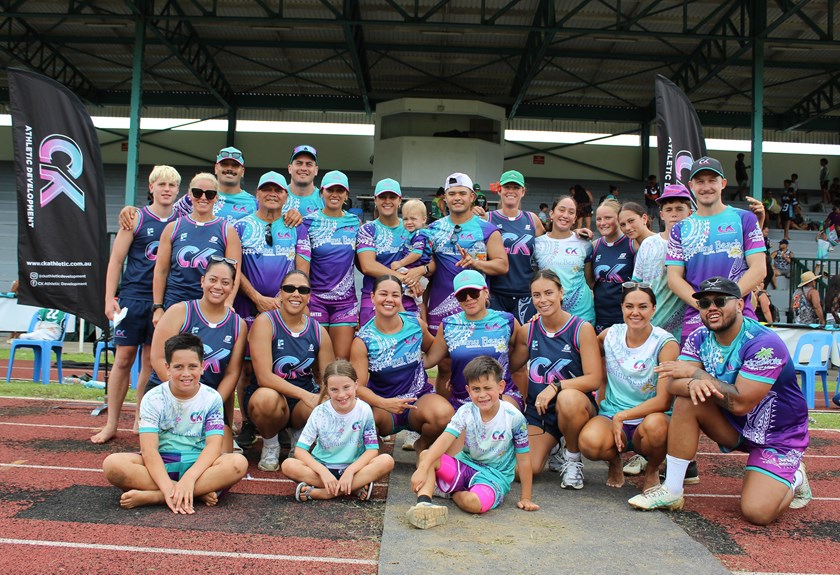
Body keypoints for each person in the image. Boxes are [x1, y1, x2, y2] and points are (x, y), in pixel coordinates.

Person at [629, 277, 811, 525]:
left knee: (758, 513)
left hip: (777, 436)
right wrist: (693, 383)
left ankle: (795, 475)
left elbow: (740, 403)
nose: (711, 307)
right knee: (687, 398)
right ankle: (672, 490)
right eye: (704, 303)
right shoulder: (698, 337)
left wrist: (696, 375)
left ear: (739, 304)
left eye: (720, 301)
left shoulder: (763, 344)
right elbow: (672, 383)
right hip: (735, 426)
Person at [102, 334, 248, 512]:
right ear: (167, 368)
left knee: (237, 463)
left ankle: (156, 496)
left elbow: (213, 448)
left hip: (197, 464)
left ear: (202, 367)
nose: (186, 373)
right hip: (160, 464)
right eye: (178, 367)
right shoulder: (153, 398)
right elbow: (149, 450)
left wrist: (190, 478)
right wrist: (166, 484)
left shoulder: (212, 398)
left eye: (192, 366)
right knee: (113, 465)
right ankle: (192, 493)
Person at [93, 165, 178, 444]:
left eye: (172, 185)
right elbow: (116, 260)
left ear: (178, 191)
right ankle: (111, 422)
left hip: (163, 301)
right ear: (151, 187)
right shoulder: (136, 218)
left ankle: (142, 416)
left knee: (151, 362)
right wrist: (109, 298)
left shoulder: (182, 220)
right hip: (132, 298)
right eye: (162, 184)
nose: (167, 189)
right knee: (123, 359)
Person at [406, 356, 539, 529]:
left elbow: (524, 458)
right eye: (476, 389)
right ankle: (424, 504)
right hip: (464, 465)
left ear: (501, 387)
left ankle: (452, 491)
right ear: (468, 391)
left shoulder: (514, 418)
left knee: (473, 504)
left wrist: (526, 497)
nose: (482, 395)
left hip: (493, 477)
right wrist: (422, 468)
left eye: (487, 388)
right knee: (426, 455)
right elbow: (445, 439)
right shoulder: (466, 411)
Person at [578, 283, 678, 491]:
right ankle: (615, 461)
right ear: (622, 308)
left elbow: (663, 400)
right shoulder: (609, 336)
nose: (635, 312)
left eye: (643, 307)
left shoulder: (665, 343)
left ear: (653, 309)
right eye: (629, 306)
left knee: (657, 428)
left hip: (649, 417)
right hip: (612, 413)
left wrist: (622, 417)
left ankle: (652, 469)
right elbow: (582, 346)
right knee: (589, 443)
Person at [509, 270, 602, 488]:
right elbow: (511, 367)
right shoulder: (528, 331)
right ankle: (553, 446)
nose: (543, 300)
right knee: (525, 470)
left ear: (561, 292)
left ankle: (573, 459)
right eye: (537, 295)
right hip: (541, 413)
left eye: (549, 293)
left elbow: (594, 379)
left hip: (577, 407)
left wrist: (556, 386)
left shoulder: (581, 328)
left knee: (567, 398)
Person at [148, 257, 247, 451]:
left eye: (225, 282)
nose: (218, 286)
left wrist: (207, 404)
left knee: (225, 458)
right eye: (213, 279)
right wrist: (184, 397)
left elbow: (232, 373)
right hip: (171, 395)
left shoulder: (238, 325)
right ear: (202, 281)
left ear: (232, 287)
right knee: (167, 453)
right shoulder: (179, 312)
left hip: (209, 402)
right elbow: (158, 358)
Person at [666, 156, 766, 343]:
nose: (706, 187)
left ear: (723, 183)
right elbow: (673, 278)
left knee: (740, 371)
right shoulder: (680, 229)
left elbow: (759, 269)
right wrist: (705, 305)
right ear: (691, 185)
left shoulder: (745, 219)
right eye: (700, 181)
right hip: (697, 319)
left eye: (712, 180)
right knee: (691, 371)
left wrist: (728, 303)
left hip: (739, 314)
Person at [351, 275, 454, 454]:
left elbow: (433, 351)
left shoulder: (415, 324)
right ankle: (378, 452)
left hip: (418, 399)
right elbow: (357, 387)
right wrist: (384, 403)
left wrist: (451, 330)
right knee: (360, 421)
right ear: (373, 297)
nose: (389, 299)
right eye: (384, 294)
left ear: (401, 298)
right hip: (384, 407)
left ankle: (422, 445)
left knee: (445, 415)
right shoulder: (363, 340)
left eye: (395, 295)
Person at [246, 270, 335, 472]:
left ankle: (300, 437)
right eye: (289, 288)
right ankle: (270, 445)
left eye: (302, 290)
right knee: (265, 399)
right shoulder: (266, 322)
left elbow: (330, 378)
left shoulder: (318, 330)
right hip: (272, 398)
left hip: (300, 406)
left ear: (309, 296)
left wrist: (322, 398)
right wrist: (306, 396)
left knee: (328, 400)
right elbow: (264, 377)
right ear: (280, 294)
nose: (296, 294)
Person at [281, 360, 395, 502]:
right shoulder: (319, 412)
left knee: (386, 461)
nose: (341, 395)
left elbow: (372, 450)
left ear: (356, 384)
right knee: (288, 465)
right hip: (323, 468)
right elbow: (300, 451)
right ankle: (352, 488)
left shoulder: (364, 409)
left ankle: (324, 493)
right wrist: (323, 472)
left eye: (346, 387)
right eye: (334, 389)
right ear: (326, 388)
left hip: (354, 469)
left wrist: (351, 471)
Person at [423, 270, 523, 410]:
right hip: (462, 400)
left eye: (474, 292)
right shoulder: (448, 325)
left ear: (486, 292)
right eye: (462, 295)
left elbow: (524, 350)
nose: (469, 298)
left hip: (502, 395)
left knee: (498, 412)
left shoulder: (506, 321)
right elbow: (429, 360)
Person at [152, 172, 242, 318]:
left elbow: (234, 272)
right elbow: (161, 270)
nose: (203, 198)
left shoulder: (227, 230)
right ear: (189, 195)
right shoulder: (172, 227)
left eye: (210, 194)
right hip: (175, 301)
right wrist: (157, 307)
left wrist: (228, 302)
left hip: (211, 304)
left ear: (216, 197)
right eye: (197, 192)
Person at [296, 170, 360, 359]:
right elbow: (302, 266)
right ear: (321, 192)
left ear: (346, 195)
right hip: (316, 300)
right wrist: (304, 299)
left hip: (345, 303)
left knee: (340, 361)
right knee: (316, 363)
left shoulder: (355, 222)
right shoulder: (307, 223)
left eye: (340, 190)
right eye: (330, 189)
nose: (335, 194)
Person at [233, 171, 306, 327]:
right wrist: (258, 299)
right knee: (245, 351)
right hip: (246, 307)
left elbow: (302, 272)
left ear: (286, 196)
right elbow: (234, 268)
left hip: (284, 307)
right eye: (267, 189)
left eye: (278, 190)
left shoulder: (297, 228)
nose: (272, 194)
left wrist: (279, 302)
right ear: (257, 194)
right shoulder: (240, 226)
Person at [631, 184, 693, 342]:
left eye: (679, 209)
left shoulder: (696, 246)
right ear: (661, 215)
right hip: (649, 326)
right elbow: (636, 283)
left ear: (690, 213)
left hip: (683, 329)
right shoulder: (649, 244)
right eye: (669, 209)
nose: (674, 214)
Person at [486, 170, 545, 325]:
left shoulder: (532, 219)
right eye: (507, 187)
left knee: (523, 341)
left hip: (524, 294)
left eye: (516, 187)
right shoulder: (487, 218)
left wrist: (575, 234)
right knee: (497, 341)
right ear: (499, 190)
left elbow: (551, 243)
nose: (511, 191)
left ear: (523, 191)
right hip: (496, 294)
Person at [356, 178, 415, 326]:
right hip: (374, 297)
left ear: (400, 200)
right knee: (372, 344)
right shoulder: (368, 230)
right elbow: (367, 266)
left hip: (408, 298)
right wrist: (402, 278)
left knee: (408, 345)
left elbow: (428, 260)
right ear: (375, 200)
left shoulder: (412, 228)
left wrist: (421, 271)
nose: (387, 201)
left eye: (392, 197)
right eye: (382, 197)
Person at [534, 196, 595, 324]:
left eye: (571, 212)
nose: (565, 215)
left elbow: (589, 281)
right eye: (561, 210)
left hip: (582, 313)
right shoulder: (538, 244)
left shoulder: (584, 243)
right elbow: (535, 280)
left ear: (575, 218)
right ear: (551, 213)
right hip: (550, 312)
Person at [589, 199, 636, 334]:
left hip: (626, 315)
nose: (602, 223)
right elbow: (591, 282)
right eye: (599, 219)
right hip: (600, 315)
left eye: (608, 218)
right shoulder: (594, 246)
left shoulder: (632, 244)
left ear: (619, 219)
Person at [390, 198, 433, 321]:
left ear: (424, 219)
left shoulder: (420, 235)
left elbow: (416, 254)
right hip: (416, 271)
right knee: (417, 300)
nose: (409, 222)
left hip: (417, 271)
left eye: (413, 219)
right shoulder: (413, 234)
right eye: (405, 219)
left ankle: (412, 321)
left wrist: (400, 263)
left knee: (403, 293)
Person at [285, 144, 325, 217]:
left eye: (309, 164)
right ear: (290, 168)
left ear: (316, 170)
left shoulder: (323, 199)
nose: (303, 168)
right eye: (299, 163)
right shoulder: (278, 196)